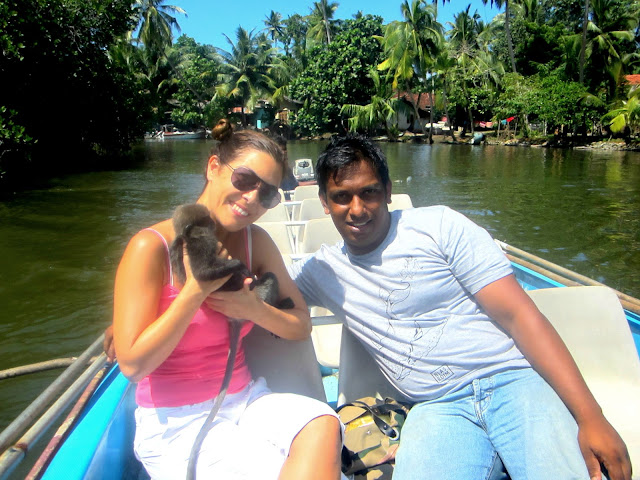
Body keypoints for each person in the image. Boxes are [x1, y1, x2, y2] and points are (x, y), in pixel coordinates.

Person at [287, 134, 632, 480]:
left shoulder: (439, 226)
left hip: (514, 380)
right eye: (341, 197)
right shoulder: (322, 271)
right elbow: (265, 286)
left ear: (388, 191)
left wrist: (591, 417)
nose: (357, 209)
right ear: (324, 202)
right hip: (436, 406)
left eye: (369, 192)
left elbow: (519, 316)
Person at [111, 119, 342, 480]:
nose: (251, 199)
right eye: (244, 179)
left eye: (267, 194)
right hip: (177, 421)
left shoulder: (255, 242)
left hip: (246, 400)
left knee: (323, 423)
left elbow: (300, 325)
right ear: (214, 167)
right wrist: (195, 291)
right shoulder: (150, 247)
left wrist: (254, 309)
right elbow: (133, 366)